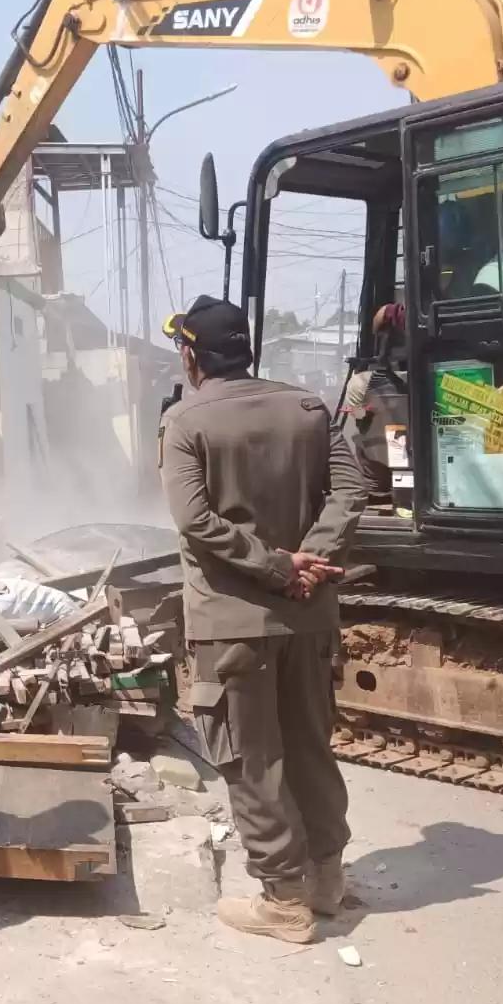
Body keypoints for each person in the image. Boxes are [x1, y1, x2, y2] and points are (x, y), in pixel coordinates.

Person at [158, 295, 368, 944]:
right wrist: (312, 562)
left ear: (193, 356)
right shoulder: (307, 410)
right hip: (308, 620)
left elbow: (196, 521)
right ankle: (326, 878)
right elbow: (351, 490)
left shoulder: (185, 423)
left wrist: (277, 566)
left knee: (252, 760)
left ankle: (283, 899)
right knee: (309, 743)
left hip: (233, 625)